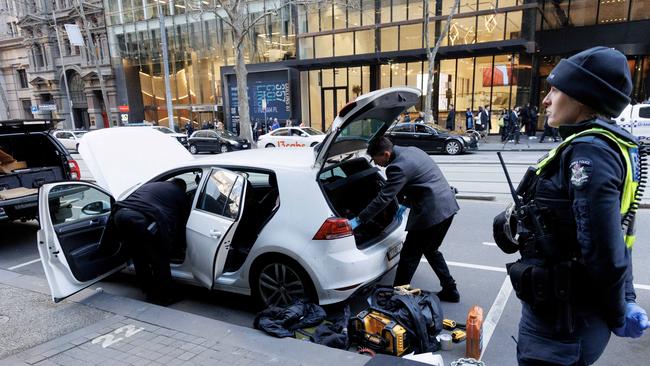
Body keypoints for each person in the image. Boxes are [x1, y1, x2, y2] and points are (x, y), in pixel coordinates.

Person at [493, 47, 648, 365]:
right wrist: (626, 300)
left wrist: (619, 311)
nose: (546, 100)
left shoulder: (589, 155)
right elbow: (621, 237)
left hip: (560, 329)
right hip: (570, 322)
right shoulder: (606, 146)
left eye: (554, 89)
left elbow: (604, 249)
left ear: (581, 96)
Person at [348, 137, 460, 302]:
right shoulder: (413, 151)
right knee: (431, 249)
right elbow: (420, 182)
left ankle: (398, 298)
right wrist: (405, 203)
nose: (376, 164)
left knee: (409, 256)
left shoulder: (396, 167)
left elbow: (383, 198)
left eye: (376, 159)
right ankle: (450, 289)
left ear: (386, 154)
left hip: (430, 214)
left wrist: (359, 219)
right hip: (448, 207)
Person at [113, 179, 191, 305]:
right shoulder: (179, 192)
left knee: (139, 256)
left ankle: (149, 291)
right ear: (183, 187)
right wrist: (179, 244)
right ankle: (166, 296)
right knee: (160, 257)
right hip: (139, 219)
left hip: (120, 214)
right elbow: (185, 220)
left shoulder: (154, 185)